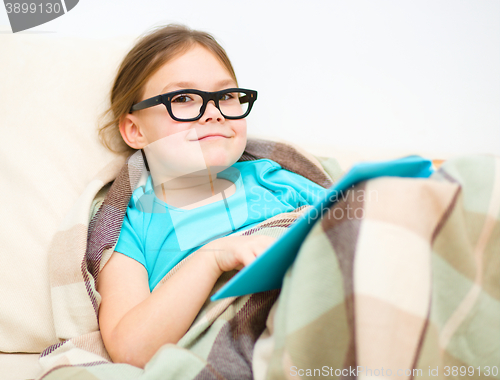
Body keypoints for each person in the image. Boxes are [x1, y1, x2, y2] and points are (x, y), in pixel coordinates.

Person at [96, 24, 326, 369]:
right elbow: (130, 348)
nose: (214, 111)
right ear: (135, 129)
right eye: (184, 99)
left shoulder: (275, 180)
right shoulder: (134, 225)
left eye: (226, 96)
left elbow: (356, 234)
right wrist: (212, 258)